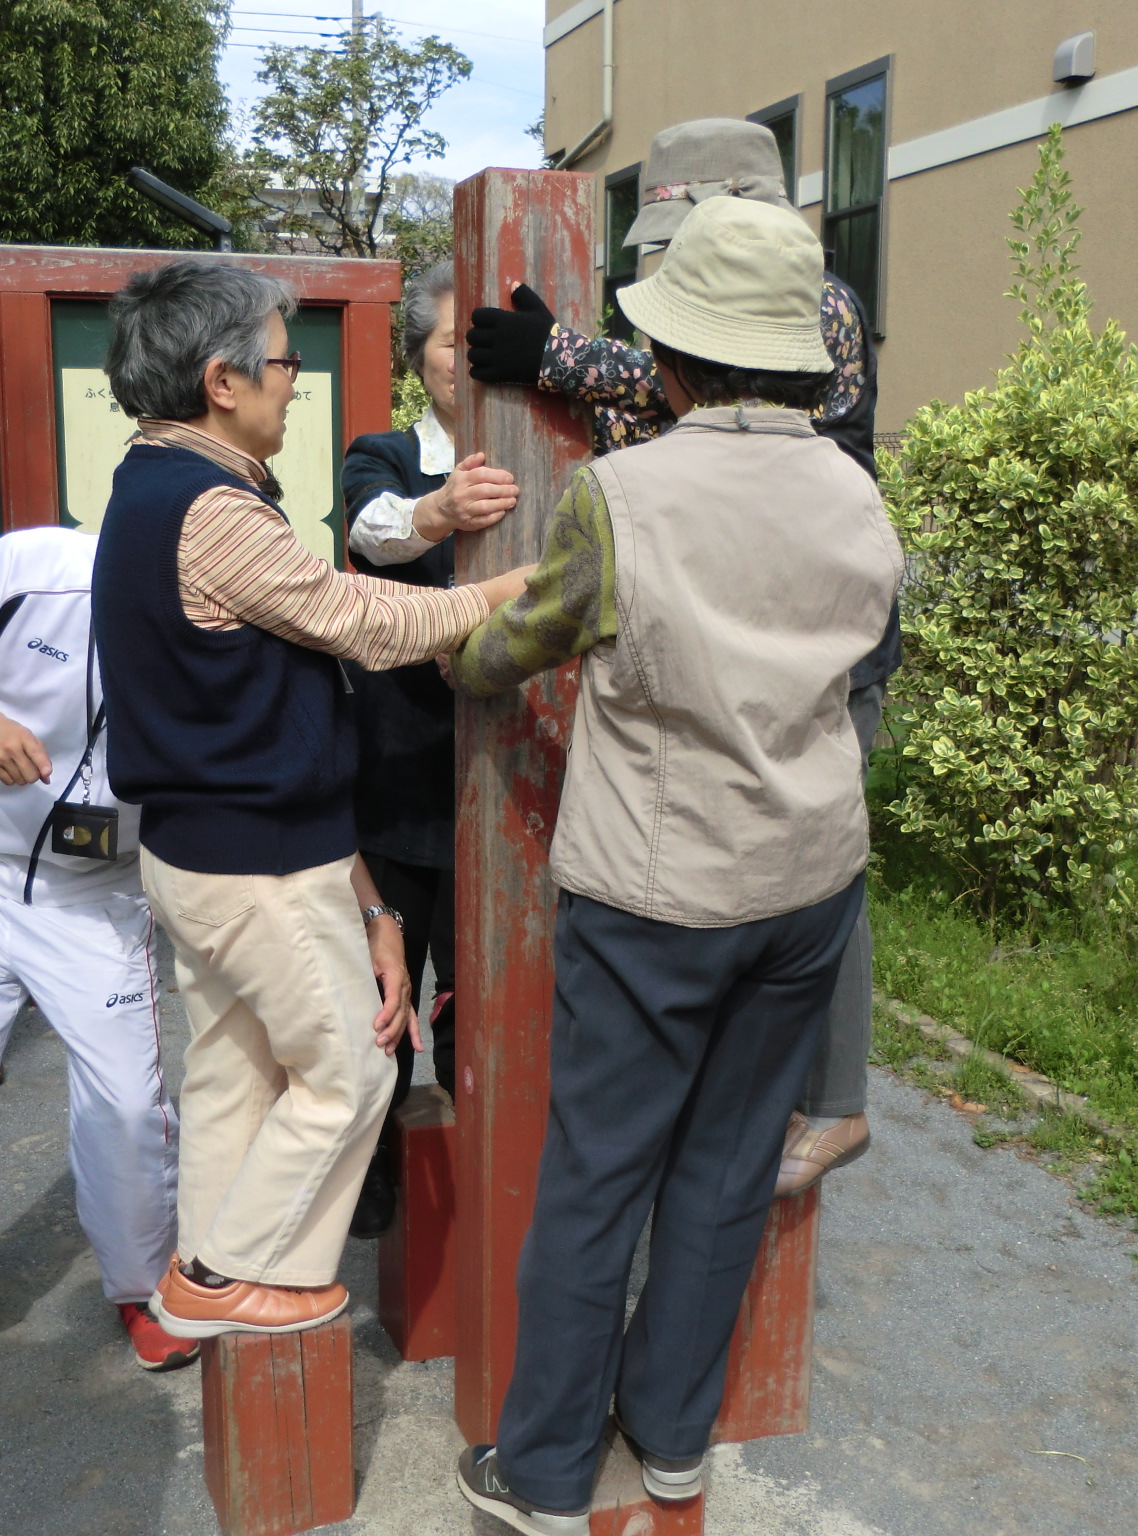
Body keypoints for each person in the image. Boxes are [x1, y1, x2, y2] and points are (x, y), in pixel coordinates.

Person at [448, 197, 903, 1533]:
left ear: (673, 361)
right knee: (723, 1174)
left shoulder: (616, 493)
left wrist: (452, 643)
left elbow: (517, 643)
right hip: (808, 883)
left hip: (657, 891)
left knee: (600, 1177)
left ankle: (539, 1475)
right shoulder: (857, 492)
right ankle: (674, 1451)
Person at [89, 262, 531, 1338]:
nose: (294, 381)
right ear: (220, 379)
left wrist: (365, 897)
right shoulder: (206, 506)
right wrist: (513, 590)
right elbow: (358, 619)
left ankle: (209, 1274)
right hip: (252, 862)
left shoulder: (151, 482)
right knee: (347, 1075)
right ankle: (225, 1274)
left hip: (212, 850)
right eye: (283, 361)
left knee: (236, 1080)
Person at [468, 116, 891, 1198]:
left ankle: (837, 1102)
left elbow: (722, 395)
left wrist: (564, 357)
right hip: (734, 599)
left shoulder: (814, 302)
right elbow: (670, 424)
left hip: (804, 623)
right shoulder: (694, 332)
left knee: (814, 849)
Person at [0, 524, 196, 1395]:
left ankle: (140, 1282)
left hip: (98, 892)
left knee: (130, 1104)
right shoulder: (29, 567)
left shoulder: (219, 607)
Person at [339, 258, 520, 1236]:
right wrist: (437, 511)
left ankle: (478, 1186)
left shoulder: (538, 454)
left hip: (502, 780)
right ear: (420, 359)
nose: (466, 360)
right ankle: (372, 1191)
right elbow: (371, 536)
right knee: (381, 992)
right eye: (452, 342)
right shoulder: (385, 455)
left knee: (483, 994)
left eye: (477, 342)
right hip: (400, 774)